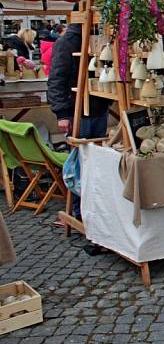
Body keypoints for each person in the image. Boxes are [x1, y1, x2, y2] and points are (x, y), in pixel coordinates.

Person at [48, 23, 112, 219]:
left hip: (97, 108)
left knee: (95, 162)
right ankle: (79, 212)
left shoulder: (100, 40)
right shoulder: (66, 42)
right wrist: (61, 114)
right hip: (77, 111)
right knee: (79, 164)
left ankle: (93, 209)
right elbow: (56, 79)